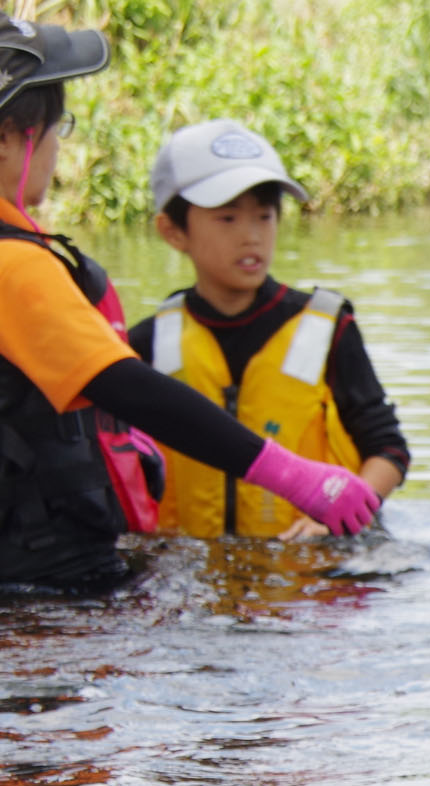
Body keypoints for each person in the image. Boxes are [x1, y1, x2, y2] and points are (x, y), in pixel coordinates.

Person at [0, 21, 377, 595]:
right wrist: (293, 475)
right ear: (9, 137)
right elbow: (125, 386)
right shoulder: (14, 265)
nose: (57, 147)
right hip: (41, 580)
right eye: (58, 129)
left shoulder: (328, 325)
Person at [129, 120, 408, 540]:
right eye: (228, 219)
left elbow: (388, 449)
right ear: (173, 231)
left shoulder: (330, 328)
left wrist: (336, 517)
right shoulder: (145, 344)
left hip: (308, 566)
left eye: (265, 215)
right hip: (189, 564)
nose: (252, 236)